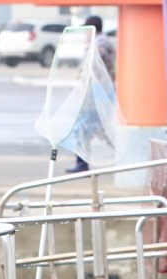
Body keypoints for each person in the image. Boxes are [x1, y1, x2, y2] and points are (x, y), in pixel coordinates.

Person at [66, 15, 117, 174]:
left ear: (92, 29)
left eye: (86, 30)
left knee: (84, 129)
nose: (85, 34)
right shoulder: (104, 43)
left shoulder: (99, 45)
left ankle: (82, 163)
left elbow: (95, 69)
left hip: (95, 95)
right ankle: (82, 162)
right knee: (99, 131)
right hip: (100, 94)